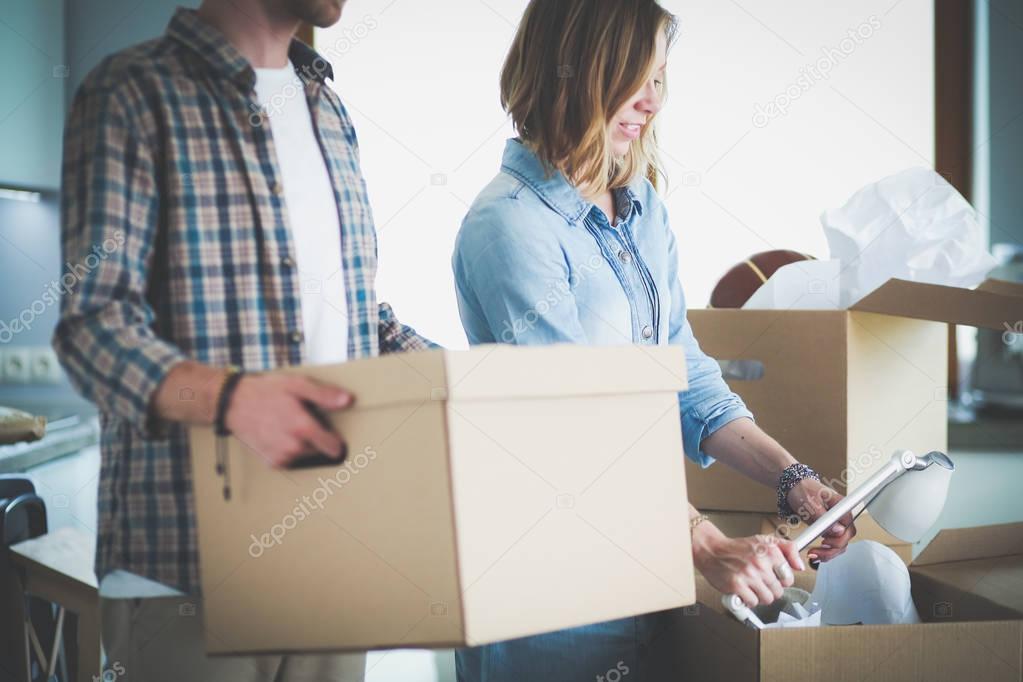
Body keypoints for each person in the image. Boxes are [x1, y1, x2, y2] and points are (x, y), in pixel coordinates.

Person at [451, 1, 856, 680]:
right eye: (630, 78)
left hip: (641, 561)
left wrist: (792, 480)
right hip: (550, 585)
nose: (650, 102)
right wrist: (700, 542)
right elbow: (576, 424)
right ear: (569, 73)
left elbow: (685, 372)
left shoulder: (638, 207)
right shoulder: (511, 226)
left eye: (659, 79)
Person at [53, 0, 433, 678]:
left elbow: (355, 318)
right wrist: (230, 400)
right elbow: (93, 326)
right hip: (186, 571)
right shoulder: (132, 92)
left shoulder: (330, 113)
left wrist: (473, 386)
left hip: (333, 557)